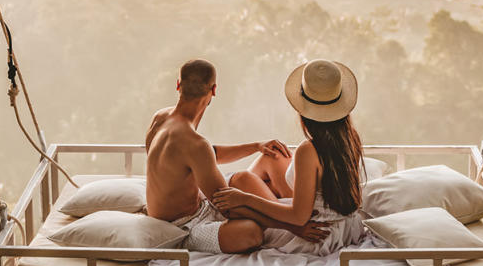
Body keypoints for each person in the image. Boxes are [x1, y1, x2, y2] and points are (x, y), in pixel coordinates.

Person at [145, 58, 330, 254]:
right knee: (250, 233)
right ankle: (297, 217)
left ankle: (295, 210)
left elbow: (206, 154)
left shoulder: (161, 118)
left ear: (178, 85)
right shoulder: (194, 144)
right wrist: (292, 227)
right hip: (184, 226)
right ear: (214, 90)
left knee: (246, 177)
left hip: (201, 205)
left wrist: (257, 146)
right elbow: (228, 207)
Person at [212, 59, 365, 255]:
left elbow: (298, 218)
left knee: (242, 181)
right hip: (344, 227)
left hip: (316, 234)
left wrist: (245, 199)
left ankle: (226, 206)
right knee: (273, 157)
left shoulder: (308, 150)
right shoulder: (350, 136)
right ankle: (243, 195)